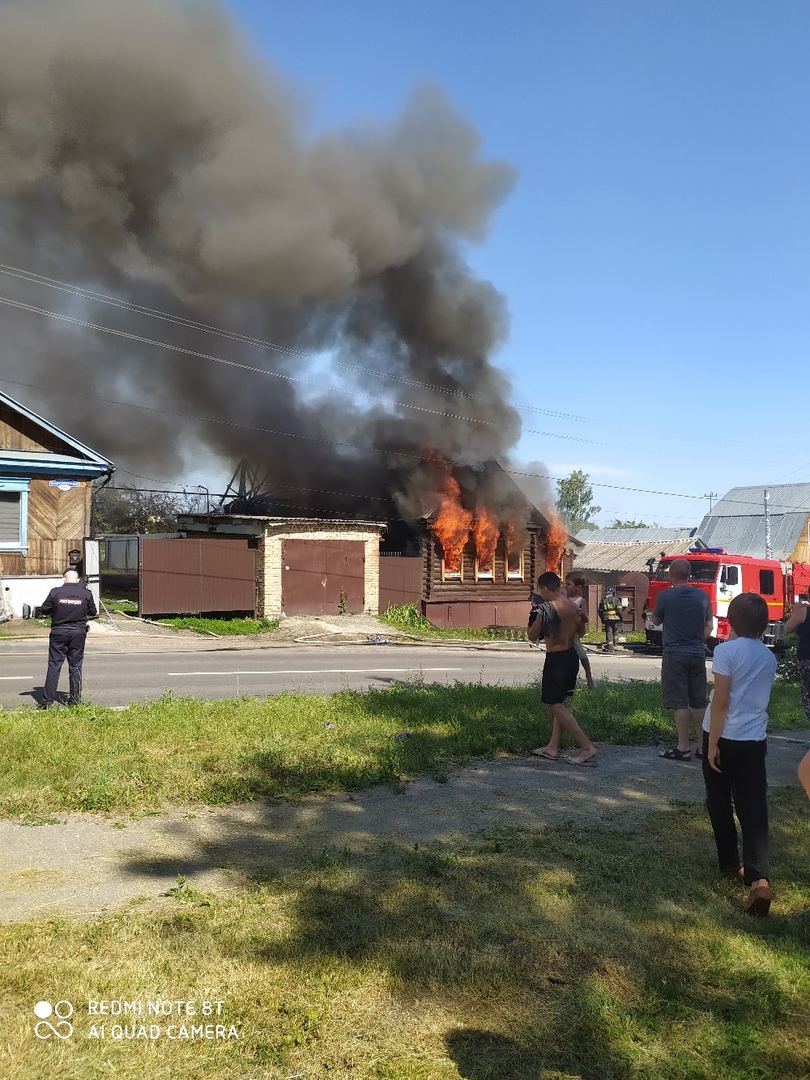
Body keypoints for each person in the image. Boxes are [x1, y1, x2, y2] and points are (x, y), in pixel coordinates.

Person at [702, 593, 777, 917]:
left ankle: (731, 863)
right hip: (753, 738)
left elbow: (721, 701)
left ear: (730, 619)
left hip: (723, 735)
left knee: (719, 801)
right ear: (764, 625)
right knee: (753, 807)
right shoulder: (768, 657)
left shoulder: (726, 651)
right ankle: (759, 877)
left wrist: (713, 744)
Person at [528, 571, 598, 766]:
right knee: (560, 703)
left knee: (554, 704)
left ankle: (586, 747)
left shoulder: (547, 608)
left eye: (539, 589)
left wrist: (537, 616)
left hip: (556, 659)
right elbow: (581, 632)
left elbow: (532, 636)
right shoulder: (573, 606)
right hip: (571, 657)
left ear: (544, 588)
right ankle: (552, 747)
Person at [651, 558, 713, 761]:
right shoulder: (703, 597)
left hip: (674, 654)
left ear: (671, 575)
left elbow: (656, 620)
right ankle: (703, 747)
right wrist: (696, 641)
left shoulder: (665, 596)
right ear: (689, 575)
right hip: (697, 654)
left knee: (679, 701)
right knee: (699, 701)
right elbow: (709, 627)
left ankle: (683, 746)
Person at [39, 569, 98, 707]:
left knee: (54, 666)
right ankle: (74, 701)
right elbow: (93, 612)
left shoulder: (55, 592)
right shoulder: (86, 593)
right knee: (75, 666)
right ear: (77, 580)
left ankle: (47, 702)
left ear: (64, 579)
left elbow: (44, 609)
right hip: (78, 633)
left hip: (58, 632)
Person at [563, 571, 595, 690]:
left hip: (573, 632)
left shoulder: (581, 601)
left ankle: (589, 675)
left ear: (578, 587)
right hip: (562, 632)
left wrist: (581, 614)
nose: (566, 587)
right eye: (565, 584)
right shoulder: (563, 598)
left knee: (581, 653)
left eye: (568, 584)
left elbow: (586, 619)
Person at [782, 590, 810, 722]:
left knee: (808, 696)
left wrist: (796, 611)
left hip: (807, 659)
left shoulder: (804, 612)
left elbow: (787, 628)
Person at [598, 587, 623, 652]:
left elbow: (600, 612)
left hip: (607, 619)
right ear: (613, 592)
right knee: (616, 632)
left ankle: (610, 646)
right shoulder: (616, 600)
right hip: (616, 618)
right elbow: (619, 611)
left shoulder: (603, 600)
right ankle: (615, 645)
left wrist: (602, 619)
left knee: (609, 632)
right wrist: (621, 618)